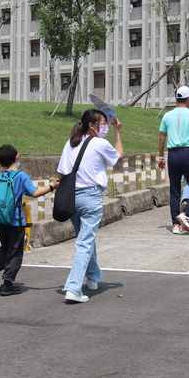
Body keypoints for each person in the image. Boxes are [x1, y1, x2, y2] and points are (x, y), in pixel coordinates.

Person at [56, 109, 123, 303]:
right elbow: (119, 157)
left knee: (85, 238)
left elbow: (60, 174)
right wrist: (118, 132)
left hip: (71, 197)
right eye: (103, 122)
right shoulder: (100, 143)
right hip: (90, 196)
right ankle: (73, 288)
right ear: (92, 126)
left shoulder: (70, 143)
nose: (105, 126)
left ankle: (93, 277)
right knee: (85, 242)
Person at [0, 145, 59, 296]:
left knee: (5, 247)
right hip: (15, 220)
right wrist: (52, 186)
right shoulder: (20, 175)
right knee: (15, 251)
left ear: (0, 164)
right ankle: (7, 284)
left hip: (0, 220)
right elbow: (34, 193)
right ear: (17, 156)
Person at [157, 86, 189, 235]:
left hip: (172, 154)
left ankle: (175, 225)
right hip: (187, 153)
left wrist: (161, 157)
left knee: (174, 191)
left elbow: (161, 138)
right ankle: (185, 215)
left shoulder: (167, 115)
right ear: (188, 99)